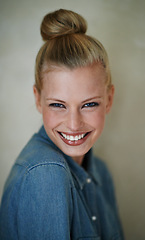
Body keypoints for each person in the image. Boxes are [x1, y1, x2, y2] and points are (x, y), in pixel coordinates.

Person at [0, 9, 124, 240]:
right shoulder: (46, 173)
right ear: (38, 99)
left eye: (89, 105)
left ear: (109, 99)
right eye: (58, 105)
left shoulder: (101, 173)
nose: (74, 124)